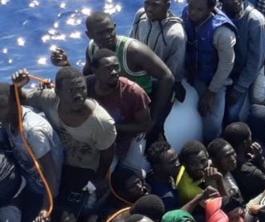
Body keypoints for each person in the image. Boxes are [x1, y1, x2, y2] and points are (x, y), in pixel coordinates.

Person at [51, 11, 174, 140]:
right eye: (100, 33)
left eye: (109, 30)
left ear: (115, 26)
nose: (107, 36)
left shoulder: (134, 51)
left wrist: (154, 119)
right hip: (112, 100)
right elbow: (86, 79)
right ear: (89, 35)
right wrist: (66, 65)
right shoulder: (92, 49)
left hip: (137, 105)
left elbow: (167, 77)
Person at [13, 67, 116, 213]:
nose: (78, 95)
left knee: (69, 210)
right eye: (70, 91)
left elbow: (108, 153)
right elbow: (19, 98)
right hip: (58, 160)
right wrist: (18, 85)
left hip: (85, 168)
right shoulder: (48, 99)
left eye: (82, 89)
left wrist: (98, 180)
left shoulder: (101, 122)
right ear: (57, 92)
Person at [182, 0, 237, 141]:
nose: (192, 12)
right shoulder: (186, 14)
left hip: (216, 79)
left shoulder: (222, 32)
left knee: (211, 124)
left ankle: (213, 143)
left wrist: (211, 93)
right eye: (191, 7)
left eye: (199, 10)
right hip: (195, 72)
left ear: (210, 9)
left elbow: (226, 64)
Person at [0, 83, 62, 220]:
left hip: (43, 189)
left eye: (1, 106)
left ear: (15, 103)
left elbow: (51, 173)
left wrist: (46, 208)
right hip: (26, 178)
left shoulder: (32, 131)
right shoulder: (8, 120)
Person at [86, 48, 152, 171]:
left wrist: (114, 128)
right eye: (107, 68)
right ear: (95, 71)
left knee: (110, 170)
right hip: (92, 138)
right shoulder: (86, 85)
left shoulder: (133, 92)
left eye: (116, 67)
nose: (114, 72)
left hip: (122, 140)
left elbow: (145, 125)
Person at [217, 0, 265, 123]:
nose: (235, 1)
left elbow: (255, 61)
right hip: (230, 71)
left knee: (232, 114)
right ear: (221, 1)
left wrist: (238, 89)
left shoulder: (255, 21)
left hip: (250, 70)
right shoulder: (219, 16)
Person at [128, 0, 186, 93]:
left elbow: (173, 71)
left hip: (156, 80)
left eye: (155, 5)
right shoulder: (140, 15)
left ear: (167, 6)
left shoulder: (175, 34)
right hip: (135, 74)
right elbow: (131, 42)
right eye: (147, 3)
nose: (149, 9)